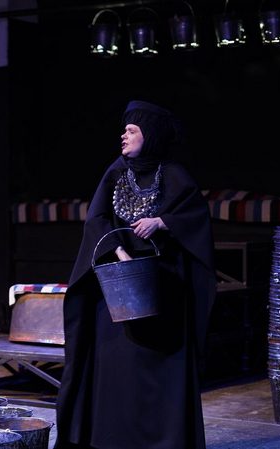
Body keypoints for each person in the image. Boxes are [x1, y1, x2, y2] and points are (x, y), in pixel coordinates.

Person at [54, 101, 216, 448]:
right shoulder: (116, 172)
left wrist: (163, 222)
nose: (123, 136)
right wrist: (120, 252)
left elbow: (196, 220)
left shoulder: (174, 176)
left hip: (162, 286)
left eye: (132, 130)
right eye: (124, 130)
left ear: (150, 135)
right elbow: (97, 219)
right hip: (118, 284)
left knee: (158, 365)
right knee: (117, 363)